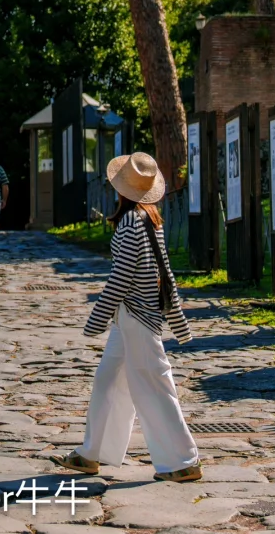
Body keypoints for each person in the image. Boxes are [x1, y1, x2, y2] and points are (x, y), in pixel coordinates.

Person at [57, 151, 200, 482]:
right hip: (133, 318)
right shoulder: (150, 219)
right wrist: (177, 318)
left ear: (121, 189)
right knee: (108, 382)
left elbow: (121, 276)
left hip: (137, 317)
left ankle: (183, 460)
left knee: (155, 387)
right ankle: (92, 453)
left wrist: (96, 318)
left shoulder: (128, 224)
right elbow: (166, 274)